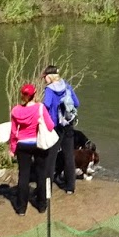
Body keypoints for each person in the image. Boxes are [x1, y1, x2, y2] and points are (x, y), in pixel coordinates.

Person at [7, 84, 55, 214]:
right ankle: (42, 206)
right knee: (41, 174)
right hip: (38, 144)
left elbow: (13, 132)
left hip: (22, 145)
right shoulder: (40, 108)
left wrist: (12, 149)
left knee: (23, 176)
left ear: (22, 95)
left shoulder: (16, 110)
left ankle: (21, 208)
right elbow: (51, 126)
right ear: (35, 94)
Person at [42, 65, 81, 195]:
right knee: (69, 156)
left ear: (49, 76)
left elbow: (46, 105)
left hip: (55, 127)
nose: (44, 80)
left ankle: (48, 191)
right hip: (68, 125)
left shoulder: (49, 90)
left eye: (45, 77)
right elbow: (76, 103)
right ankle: (70, 187)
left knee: (50, 158)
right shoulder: (67, 85)